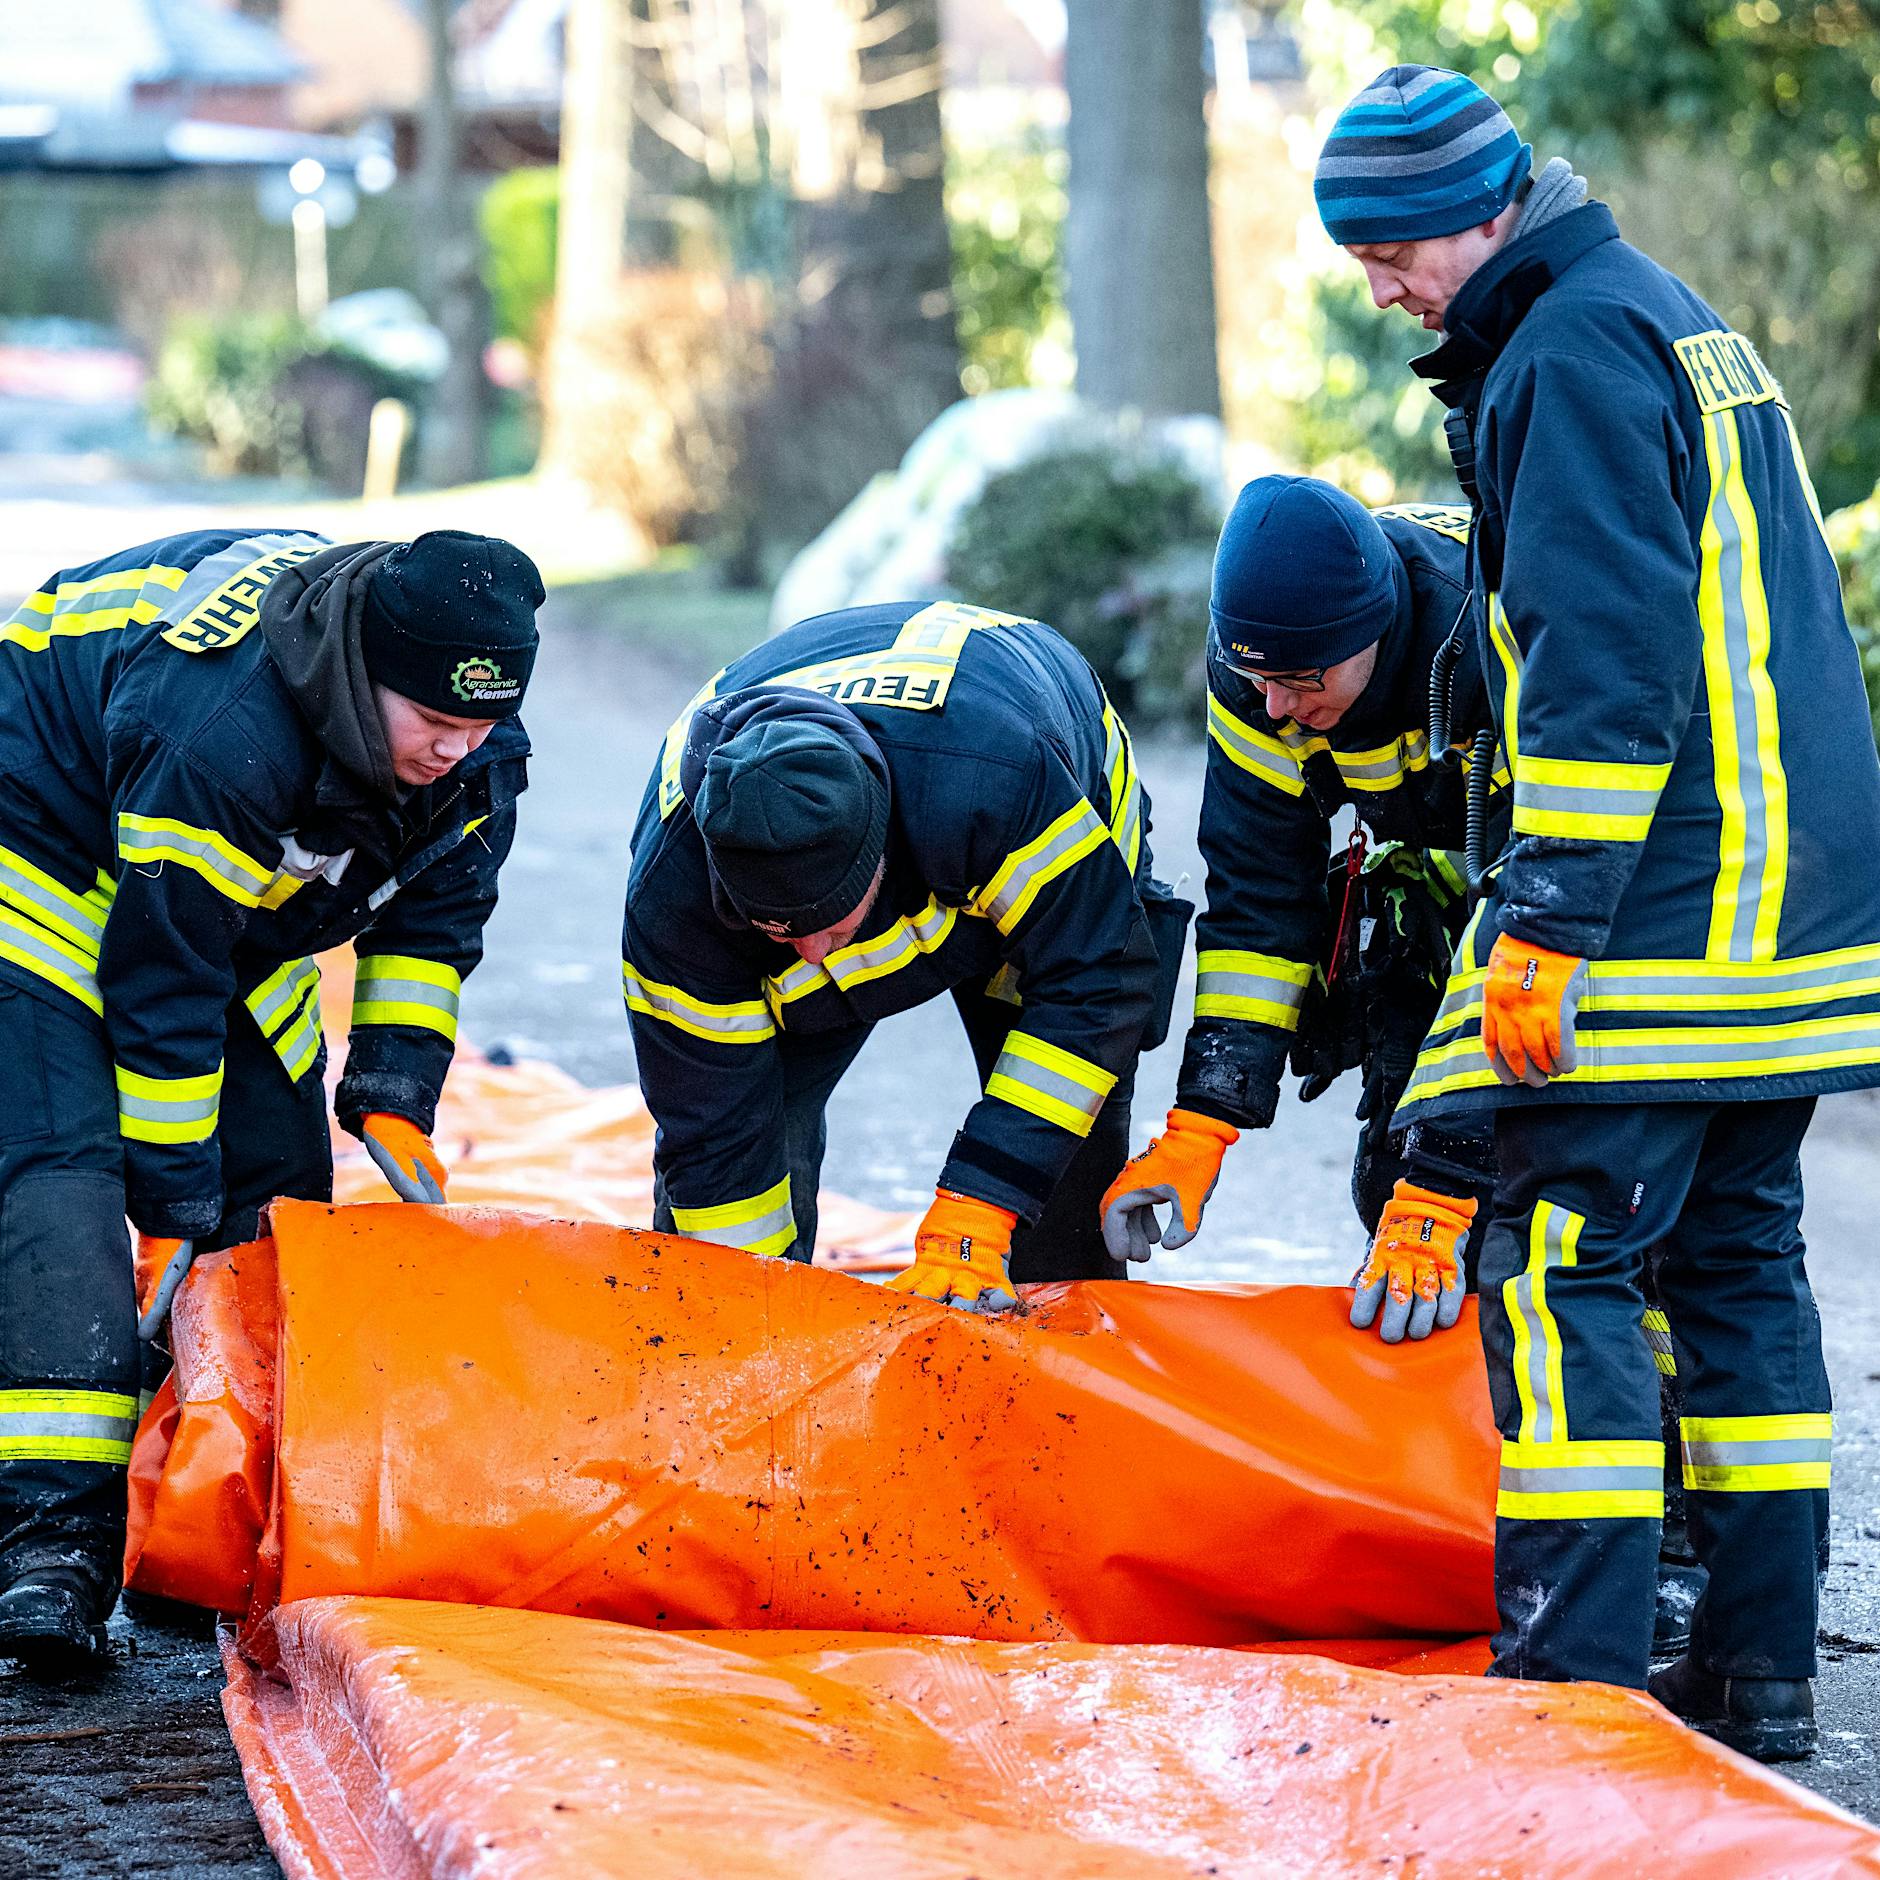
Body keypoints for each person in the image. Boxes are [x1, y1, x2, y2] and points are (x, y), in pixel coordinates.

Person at [1315, 64, 1880, 1760]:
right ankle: (1761, 1669)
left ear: (1477, 213)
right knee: (1740, 1270)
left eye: (1392, 252)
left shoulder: (1562, 356)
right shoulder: (1668, 317)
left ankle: (1574, 1683)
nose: (1383, 287)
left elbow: (1600, 664)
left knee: (1562, 1263)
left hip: (1662, 913)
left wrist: (1547, 917)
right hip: (1790, 926)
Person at [0, 527, 543, 1672]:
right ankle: (53, 1549)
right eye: (433, 723)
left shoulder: (475, 747)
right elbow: (162, 980)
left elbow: (432, 923)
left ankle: (211, 1522)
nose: (456, 749)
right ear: (363, 673)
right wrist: (170, 1204)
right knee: (69, 1177)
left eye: (478, 725)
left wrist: (392, 1087)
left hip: (224, 897)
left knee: (280, 1200)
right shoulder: (220, 726)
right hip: (42, 846)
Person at [622, 600, 1187, 1311]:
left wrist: (980, 1208)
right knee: (743, 1190)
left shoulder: (994, 784)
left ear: (877, 865)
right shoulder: (674, 894)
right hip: (910, 828)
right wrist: (740, 1316)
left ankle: (1068, 1382)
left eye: (828, 924)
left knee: (1058, 1192)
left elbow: (1097, 984)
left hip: (1022, 791)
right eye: (776, 931)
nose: (811, 953)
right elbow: (713, 1133)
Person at [1098, 474, 1500, 1343]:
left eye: (1296, 679)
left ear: (1376, 631)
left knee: (1542, 1205)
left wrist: (1446, 1178)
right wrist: (1202, 1124)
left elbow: (1539, 912)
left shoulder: (1496, 632)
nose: (1277, 706)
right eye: (1256, 678)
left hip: (1582, 923)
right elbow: (1259, 901)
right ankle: (1457, 1447)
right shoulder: (1261, 679)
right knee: (1390, 1179)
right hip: (1439, 900)